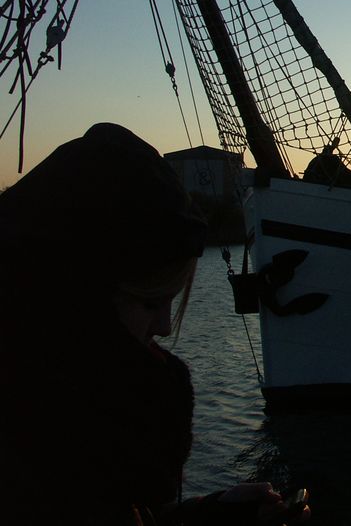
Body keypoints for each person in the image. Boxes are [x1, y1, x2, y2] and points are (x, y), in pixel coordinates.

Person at [0, 123, 310, 525]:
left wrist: (214, 515)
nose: (164, 326)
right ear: (75, 297)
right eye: (149, 303)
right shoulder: (55, 431)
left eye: (171, 302)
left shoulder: (56, 408)